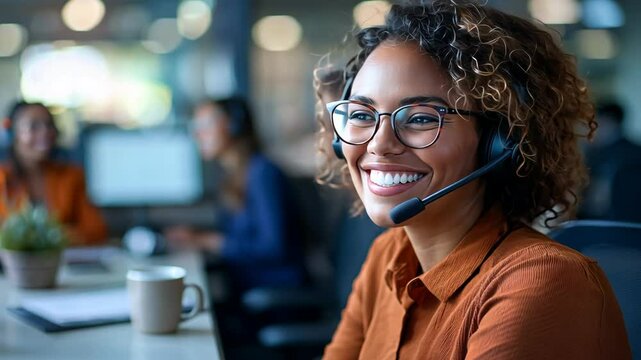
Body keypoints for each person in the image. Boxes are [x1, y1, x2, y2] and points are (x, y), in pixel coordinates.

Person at [318, 1, 631, 358]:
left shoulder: (542, 279)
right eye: (361, 114)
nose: (379, 143)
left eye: (420, 118)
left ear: (498, 143)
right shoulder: (390, 254)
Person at [164, 96, 307, 294]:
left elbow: (272, 247)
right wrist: (197, 236)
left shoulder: (263, 173)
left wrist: (207, 241)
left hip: (274, 289)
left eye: (206, 124)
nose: (198, 134)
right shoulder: (234, 175)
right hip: (247, 285)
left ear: (233, 126)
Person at [0, 101, 107, 246]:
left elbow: (95, 231)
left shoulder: (71, 177)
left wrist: (40, 237)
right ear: (12, 133)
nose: (45, 132)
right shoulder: (3, 179)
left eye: (49, 125)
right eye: (34, 126)